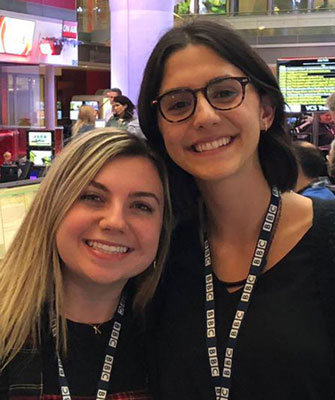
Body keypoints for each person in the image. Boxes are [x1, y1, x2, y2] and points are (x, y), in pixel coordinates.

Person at [138, 20, 335, 399]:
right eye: (179, 104)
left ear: (265, 110)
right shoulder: (155, 254)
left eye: (225, 93)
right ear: (159, 129)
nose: (205, 117)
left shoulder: (326, 239)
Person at [0, 129, 173, 399]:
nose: (115, 221)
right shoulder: (8, 331)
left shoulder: (175, 338)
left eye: (141, 206)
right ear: (54, 205)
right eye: (92, 197)